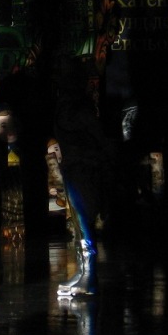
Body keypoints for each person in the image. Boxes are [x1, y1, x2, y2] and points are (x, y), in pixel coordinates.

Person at [52, 63, 114, 296]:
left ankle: (89, 276)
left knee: (84, 220)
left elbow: (97, 135)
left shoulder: (78, 107)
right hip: (75, 165)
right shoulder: (68, 104)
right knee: (79, 222)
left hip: (84, 167)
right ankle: (83, 272)